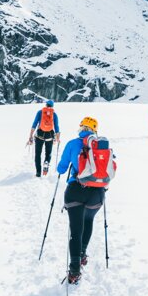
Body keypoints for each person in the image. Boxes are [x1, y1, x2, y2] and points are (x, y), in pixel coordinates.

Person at [57, 116, 112, 284]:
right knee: (88, 220)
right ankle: (82, 255)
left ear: (81, 128)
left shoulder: (73, 143)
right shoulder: (101, 147)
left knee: (75, 229)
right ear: (95, 130)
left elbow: (61, 168)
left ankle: (74, 270)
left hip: (75, 190)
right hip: (96, 193)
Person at [28, 100, 60, 177]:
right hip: (49, 135)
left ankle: (38, 172)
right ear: (52, 106)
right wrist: (57, 138)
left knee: (38, 154)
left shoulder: (40, 112)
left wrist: (31, 136)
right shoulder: (54, 114)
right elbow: (57, 127)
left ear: (46, 105)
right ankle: (46, 162)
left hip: (40, 135)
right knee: (48, 153)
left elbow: (34, 124)